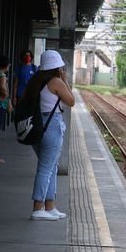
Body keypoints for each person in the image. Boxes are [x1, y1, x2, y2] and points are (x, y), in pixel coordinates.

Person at [26, 50, 74, 221]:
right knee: (46, 167)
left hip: (37, 126)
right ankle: (38, 208)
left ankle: (50, 206)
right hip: (51, 125)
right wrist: (65, 80)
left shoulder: (36, 81)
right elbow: (71, 101)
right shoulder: (56, 82)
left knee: (51, 166)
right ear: (57, 67)